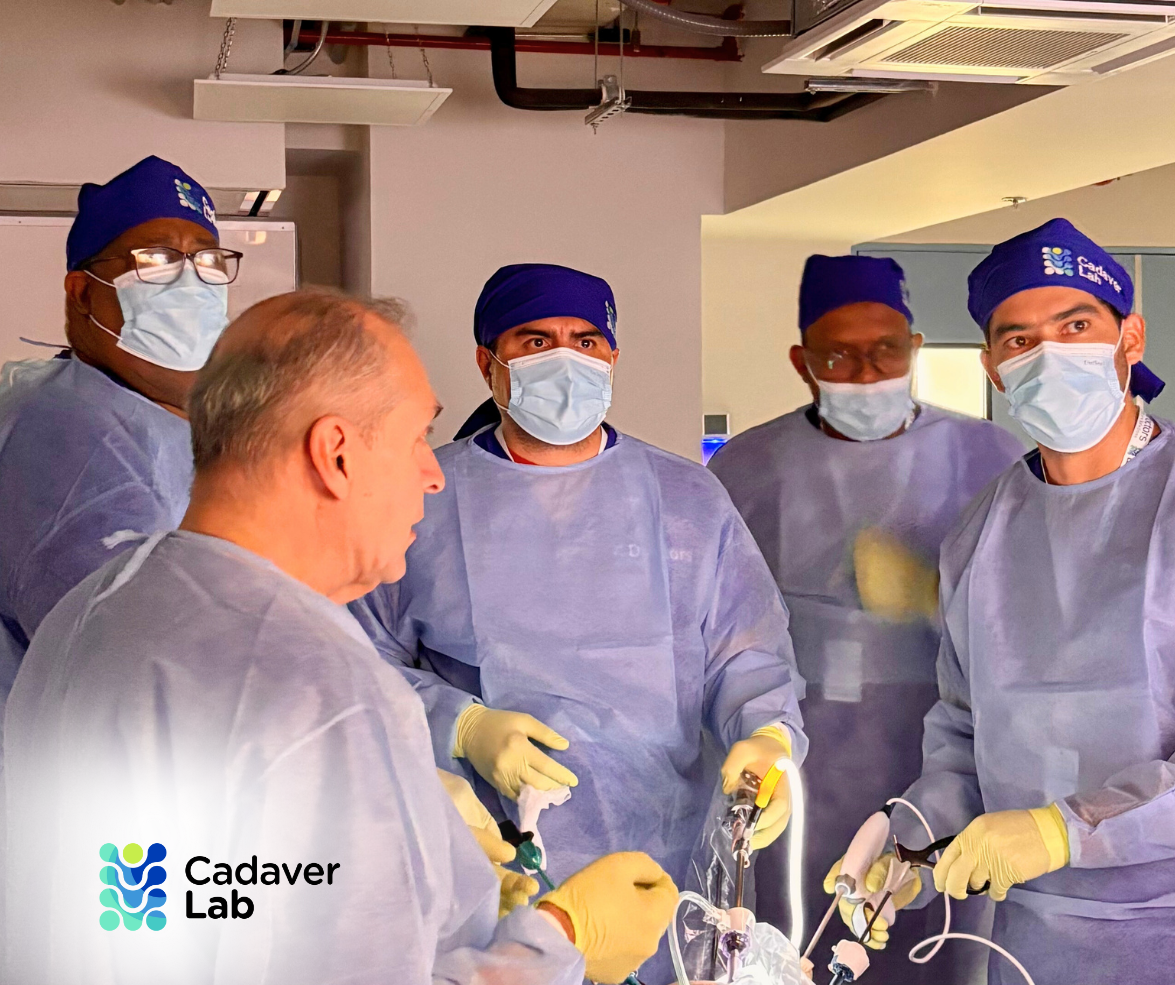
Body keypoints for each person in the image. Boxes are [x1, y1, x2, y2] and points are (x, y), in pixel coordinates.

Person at [3, 290, 678, 985]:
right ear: (335, 454)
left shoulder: (98, 608)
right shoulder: (320, 687)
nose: (433, 474)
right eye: (416, 437)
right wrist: (558, 940)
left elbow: (176, 905)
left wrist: (424, 881)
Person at [350, 263, 806, 982]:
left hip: (664, 862)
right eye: (535, 341)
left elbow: (746, 653)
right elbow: (355, 663)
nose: (565, 358)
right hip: (491, 866)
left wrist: (768, 736)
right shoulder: (424, 494)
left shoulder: (687, 498)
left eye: (586, 341)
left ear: (612, 357)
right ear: (488, 364)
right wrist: (459, 725)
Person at [833, 219, 1175, 985]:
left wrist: (1066, 829)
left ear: (1129, 338)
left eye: (1074, 326)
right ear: (991, 367)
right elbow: (963, 731)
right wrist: (913, 840)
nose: (1048, 354)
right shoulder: (982, 533)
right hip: (1032, 938)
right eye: (1019, 339)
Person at [708, 254, 1024, 979]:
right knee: (794, 939)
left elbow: (1034, 629)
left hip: (947, 757)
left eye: (885, 349)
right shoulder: (744, 470)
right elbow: (716, 630)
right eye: (837, 355)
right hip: (798, 764)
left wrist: (930, 593)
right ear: (801, 362)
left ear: (915, 348)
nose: (865, 371)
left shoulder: (988, 458)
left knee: (935, 939)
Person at [0, 155, 236, 699]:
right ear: (83, 293)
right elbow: (140, 676)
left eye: (208, 259)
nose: (191, 279)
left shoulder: (160, 420)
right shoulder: (69, 439)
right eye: (156, 258)